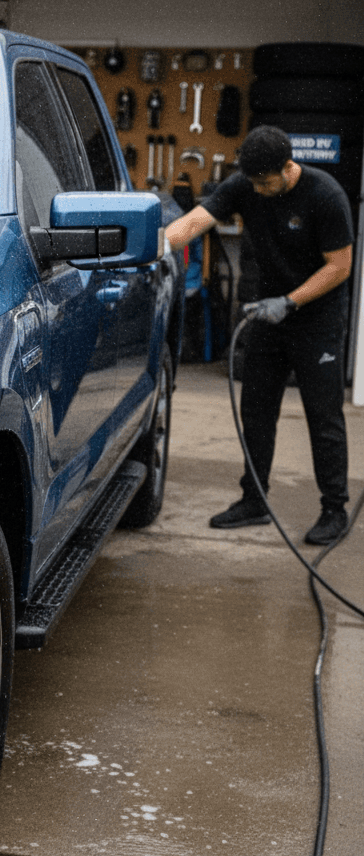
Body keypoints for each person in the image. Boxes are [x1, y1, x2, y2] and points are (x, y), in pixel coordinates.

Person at [165, 125, 354, 546]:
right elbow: (196, 221)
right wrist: (157, 247)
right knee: (256, 411)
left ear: (289, 168)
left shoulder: (326, 196)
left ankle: (334, 509)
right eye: (253, 183)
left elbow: (339, 267)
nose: (259, 191)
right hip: (268, 319)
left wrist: (289, 301)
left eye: (266, 183)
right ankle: (254, 500)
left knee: (323, 418)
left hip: (316, 320)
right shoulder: (247, 184)